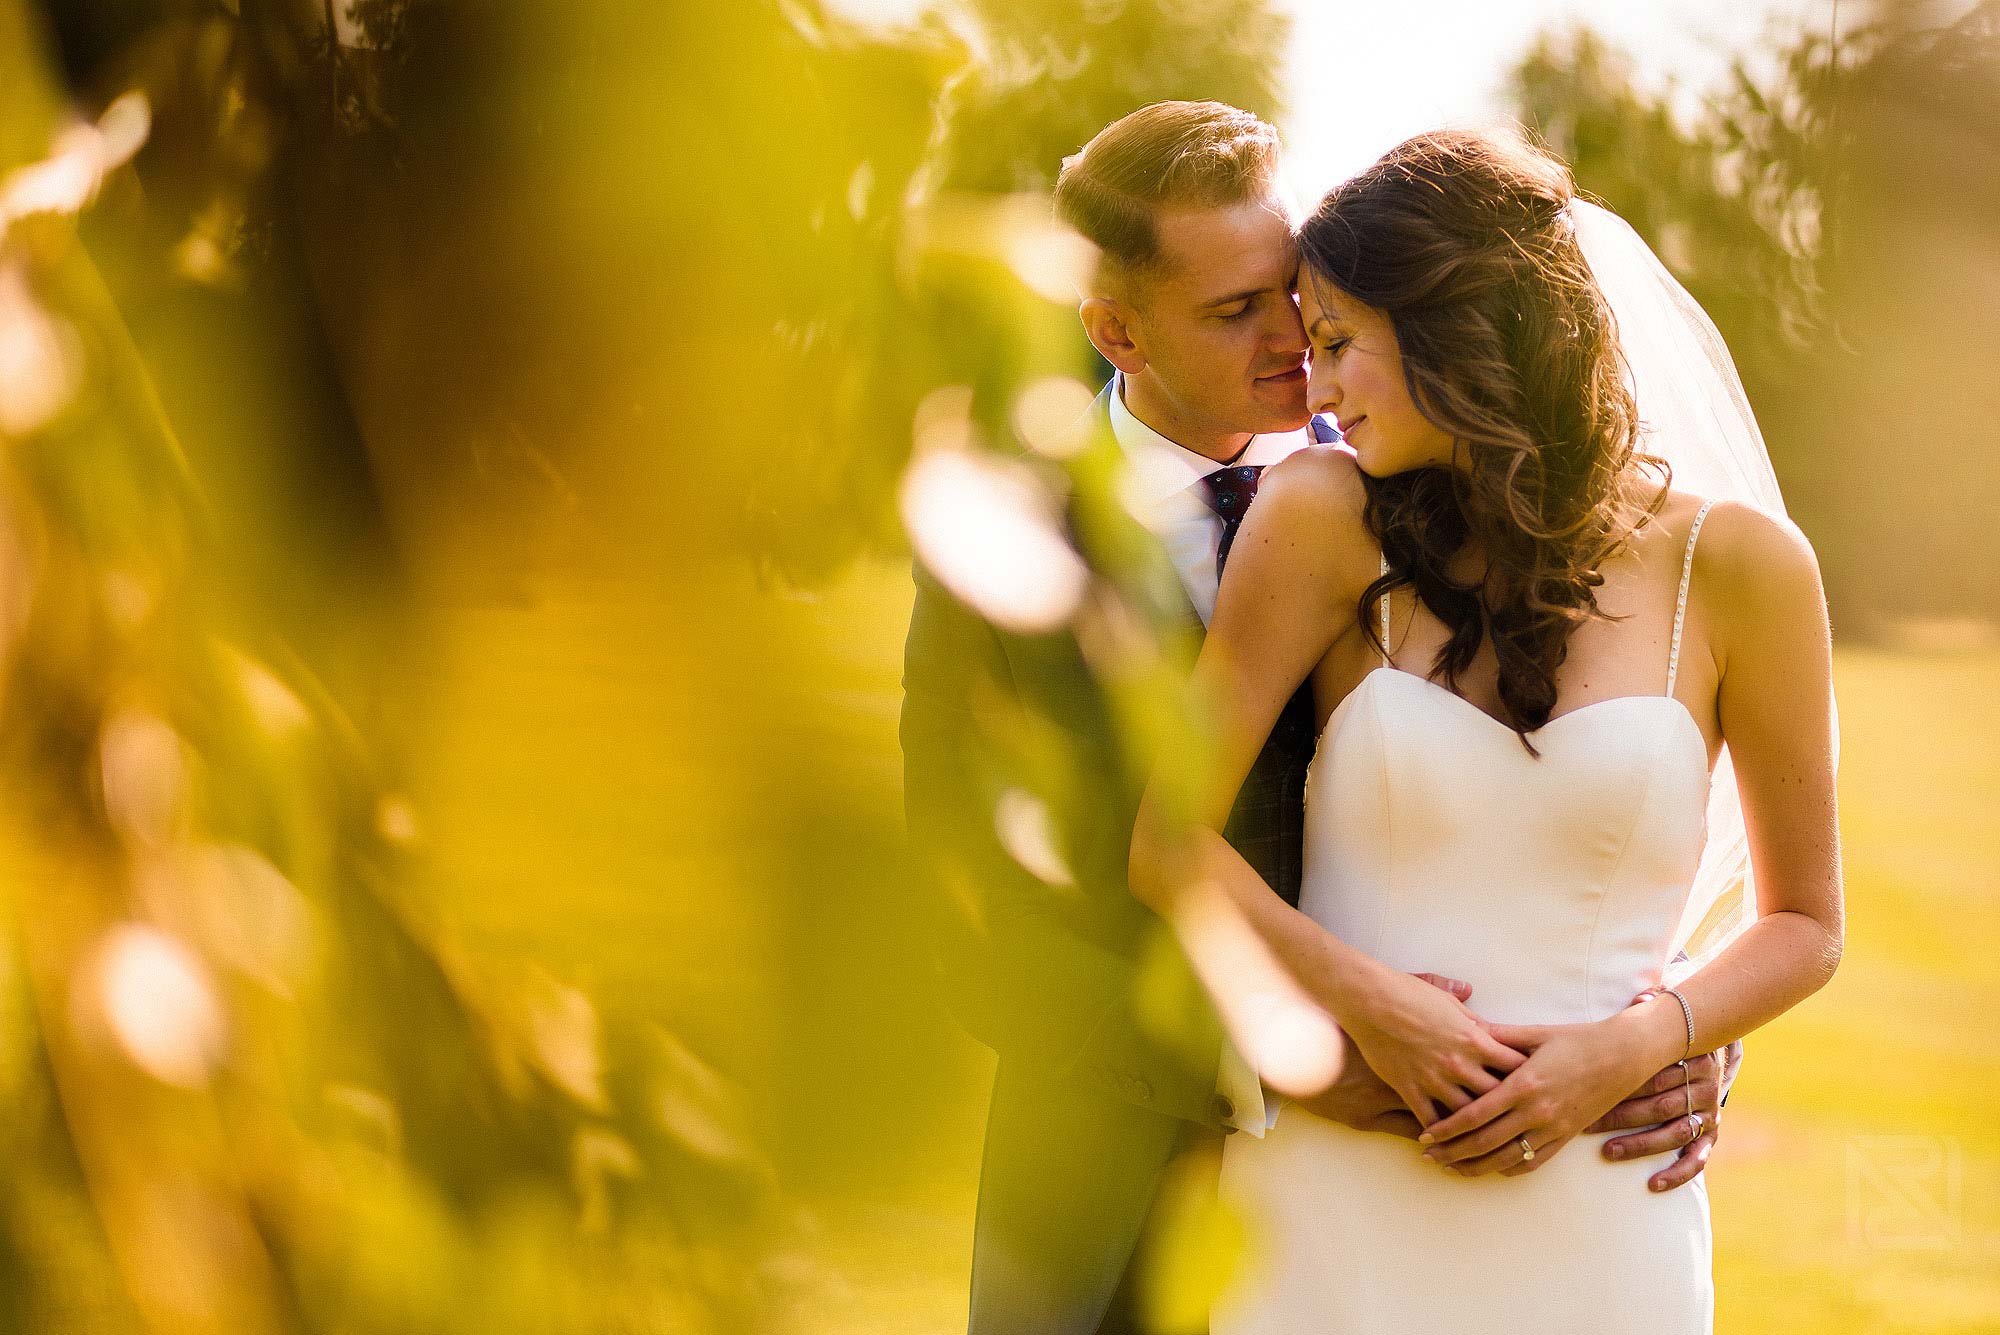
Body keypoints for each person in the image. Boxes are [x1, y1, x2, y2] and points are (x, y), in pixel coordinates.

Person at [902, 103, 1735, 1335]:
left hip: (1432, 1170)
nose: (1294, 338)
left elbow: (1565, 790)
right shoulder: (994, 533)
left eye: (1292, 290)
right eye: (1233, 310)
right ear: (1115, 331)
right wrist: (1272, 1066)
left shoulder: (1410, 493)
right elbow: (966, 897)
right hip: (1119, 1180)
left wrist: (1665, 1023)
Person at [1127, 127, 1842, 1332]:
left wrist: (1634, 1049)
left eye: (1340, 342)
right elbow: (1167, 845)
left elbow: (1805, 924)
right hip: (1337, 1184)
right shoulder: (1318, 518)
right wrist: (1368, 1008)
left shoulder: (1741, 569)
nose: (1316, 387)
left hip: (1605, 1196)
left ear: (1463, 333)